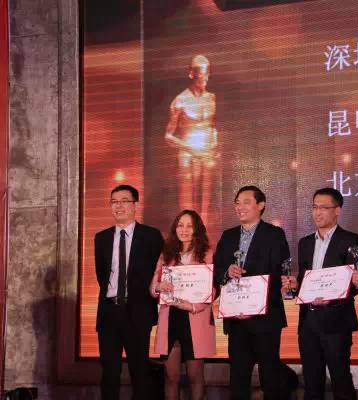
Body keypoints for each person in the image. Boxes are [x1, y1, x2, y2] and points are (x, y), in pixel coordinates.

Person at [282, 188, 358, 400]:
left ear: (337, 210)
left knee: (340, 378)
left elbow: (356, 282)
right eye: (314, 207)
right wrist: (295, 285)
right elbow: (305, 279)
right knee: (311, 381)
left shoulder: (351, 240)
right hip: (308, 321)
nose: (317, 212)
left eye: (323, 207)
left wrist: (336, 294)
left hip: (336, 320)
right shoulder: (305, 243)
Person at [213, 186, 293, 400]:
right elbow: (217, 269)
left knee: (270, 378)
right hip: (236, 320)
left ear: (261, 205)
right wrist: (227, 271)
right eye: (237, 203)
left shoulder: (274, 234)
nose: (240, 207)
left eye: (246, 202)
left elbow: (279, 272)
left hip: (265, 318)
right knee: (238, 379)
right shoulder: (228, 236)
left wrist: (255, 303)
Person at [94, 184, 164, 400]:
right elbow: (102, 275)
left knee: (139, 371)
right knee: (109, 372)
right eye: (114, 202)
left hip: (138, 313)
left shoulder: (151, 236)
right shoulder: (101, 238)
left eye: (124, 201)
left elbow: (159, 272)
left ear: (135, 205)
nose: (119, 206)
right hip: (109, 312)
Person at [150, 210, 216, 400]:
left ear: (196, 229)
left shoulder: (206, 254)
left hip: (194, 317)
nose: (184, 230)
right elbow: (153, 286)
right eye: (180, 225)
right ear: (175, 228)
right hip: (170, 318)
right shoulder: (166, 254)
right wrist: (159, 286)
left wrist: (193, 306)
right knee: (171, 377)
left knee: (195, 376)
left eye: (189, 226)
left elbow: (213, 289)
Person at [165, 54, 217, 219]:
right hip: (188, 152)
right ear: (192, 74)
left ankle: (204, 232)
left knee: (205, 206)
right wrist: (191, 148)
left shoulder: (211, 98)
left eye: (206, 74)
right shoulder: (180, 100)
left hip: (207, 153)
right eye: (200, 74)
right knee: (188, 206)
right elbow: (168, 136)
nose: (204, 78)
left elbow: (213, 126)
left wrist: (214, 143)